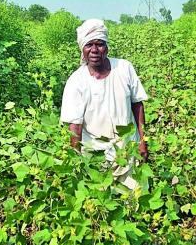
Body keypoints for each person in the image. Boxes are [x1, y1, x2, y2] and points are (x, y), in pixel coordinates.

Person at [60, 19, 148, 189]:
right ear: (82, 49)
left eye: (99, 44)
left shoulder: (124, 68)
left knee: (136, 202)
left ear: (106, 47)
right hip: (96, 157)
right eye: (89, 45)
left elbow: (137, 105)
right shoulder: (76, 82)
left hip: (129, 150)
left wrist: (142, 142)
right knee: (103, 206)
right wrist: (77, 162)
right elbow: (75, 128)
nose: (94, 50)